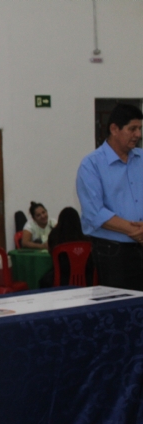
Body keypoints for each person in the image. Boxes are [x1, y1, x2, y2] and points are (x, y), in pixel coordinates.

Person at [76, 103, 143, 290]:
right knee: (121, 304)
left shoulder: (141, 159)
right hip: (113, 251)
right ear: (114, 129)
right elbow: (94, 213)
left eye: (140, 129)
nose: (138, 134)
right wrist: (137, 231)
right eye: (132, 129)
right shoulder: (91, 165)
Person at [39, 207, 93, 287]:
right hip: (87, 278)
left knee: (43, 280)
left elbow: (52, 253)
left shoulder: (55, 235)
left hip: (62, 279)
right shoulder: (86, 235)